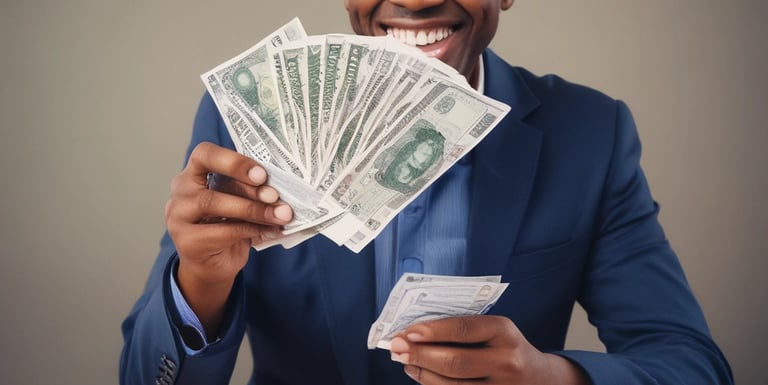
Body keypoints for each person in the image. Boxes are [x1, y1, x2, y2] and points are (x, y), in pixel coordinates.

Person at [120, 0, 734, 384]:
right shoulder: (249, 124)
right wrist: (201, 282)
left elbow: (691, 365)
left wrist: (551, 378)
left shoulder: (589, 136)